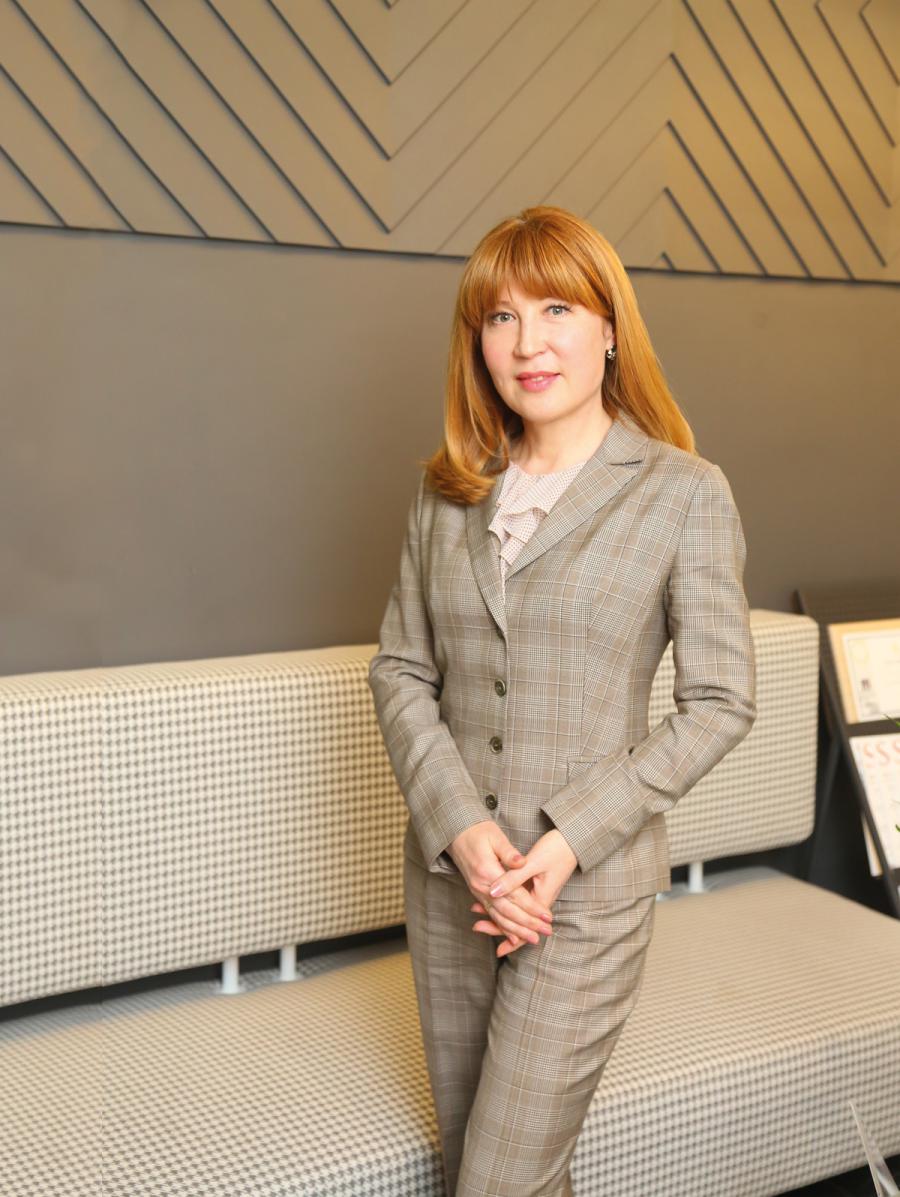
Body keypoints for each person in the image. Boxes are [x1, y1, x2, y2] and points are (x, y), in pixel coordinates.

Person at [367, 205, 757, 1197]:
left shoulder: (684, 492)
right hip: (453, 889)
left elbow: (720, 701)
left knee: (500, 1182)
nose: (527, 343)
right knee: (483, 1168)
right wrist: (462, 832)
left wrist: (568, 839)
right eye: (501, 318)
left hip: (582, 900)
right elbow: (401, 669)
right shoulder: (447, 491)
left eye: (556, 310)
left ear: (610, 327)